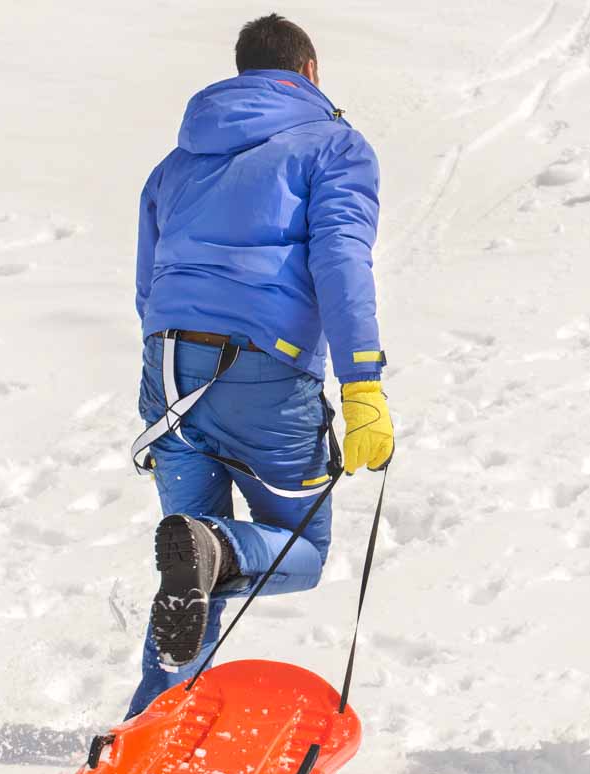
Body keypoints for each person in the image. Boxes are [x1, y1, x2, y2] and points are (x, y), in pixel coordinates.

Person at [127, 13, 394, 718]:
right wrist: (362, 383)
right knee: (296, 550)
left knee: (190, 575)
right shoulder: (334, 146)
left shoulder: (176, 161)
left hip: (169, 371)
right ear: (310, 71)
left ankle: (146, 729)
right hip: (261, 376)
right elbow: (340, 259)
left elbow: (147, 283)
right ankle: (212, 549)